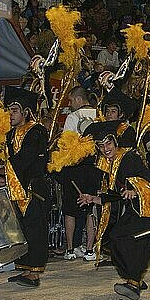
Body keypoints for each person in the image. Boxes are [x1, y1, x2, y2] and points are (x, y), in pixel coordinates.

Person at [77, 120, 150, 300]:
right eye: (101, 146)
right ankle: (135, 277)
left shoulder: (129, 157)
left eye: (108, 143)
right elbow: (114, 195)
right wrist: (92, 198)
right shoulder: (109, 164)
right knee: (114, 238)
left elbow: (147, 178)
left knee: (130, 242)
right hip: (134, 210)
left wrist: (134, 189)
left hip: (148, 209)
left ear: (116, 142)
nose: (105, 148)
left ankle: (133, 282)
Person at [0, 86, 51, 286]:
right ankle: (25, 268)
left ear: (26, 112)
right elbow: (15, 165)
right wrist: (4, 179)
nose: (10, 114)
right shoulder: (11, 135)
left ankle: (34, 273)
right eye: (9, 110)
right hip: (18, 189)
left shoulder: (37, 131)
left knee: (35, 230)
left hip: (34, 189)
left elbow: (26, 161)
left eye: (14, 110)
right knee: (21, 230)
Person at [58, 86, 98, 261]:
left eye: (71, 100)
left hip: (74, 167)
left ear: (79, 100)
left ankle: (70, 250)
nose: (70, 104)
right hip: (94, 166)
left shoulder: (72, 117)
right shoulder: (99, 114)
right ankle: (90, 250)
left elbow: (65, 144)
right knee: (92, 209)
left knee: (70, 210)